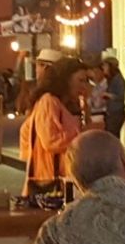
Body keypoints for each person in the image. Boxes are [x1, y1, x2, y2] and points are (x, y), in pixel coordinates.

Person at [20, 60, 87, 195]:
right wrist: (82, 136)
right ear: (66, 80)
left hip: (60, 176)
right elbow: (50, 141)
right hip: (48, 179)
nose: (84, 86)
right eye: (81, 80)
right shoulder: (48, 101)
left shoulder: (63, 104)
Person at [97, 58, 125, 138]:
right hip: (111, 112)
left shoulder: (118, 80)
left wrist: (108, 95)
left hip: (116, 113)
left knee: (113, 135)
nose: (103, 68)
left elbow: (120, 96)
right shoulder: (110, 80)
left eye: (105, 66)